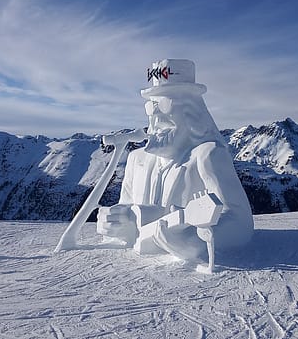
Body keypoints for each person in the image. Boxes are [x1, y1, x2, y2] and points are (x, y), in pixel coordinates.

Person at [97, 59, 253, 261]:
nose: (156, 117)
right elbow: (126, 207)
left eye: (164, 105)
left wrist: (195, 242)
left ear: (192, 113)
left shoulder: (208, 156)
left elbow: (241, 222)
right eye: (151, 107)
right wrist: (115, 222)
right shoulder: (137, 160)